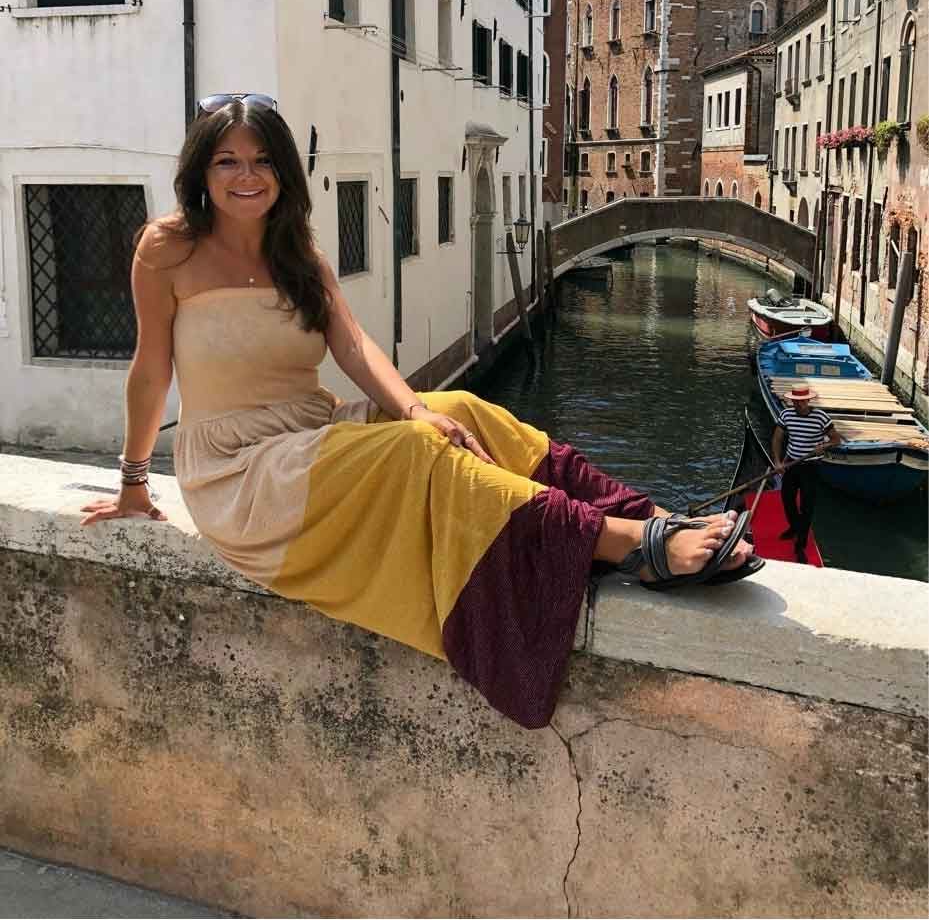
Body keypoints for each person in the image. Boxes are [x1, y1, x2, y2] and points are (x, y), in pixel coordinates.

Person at [81, 95, 758, 729]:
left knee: (459, 406)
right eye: (227, 160)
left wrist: (411, 406)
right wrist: (134, 481)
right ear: (202, 169)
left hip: (309, 433)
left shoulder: (297, 254)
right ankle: (616, 544)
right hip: (238, 472)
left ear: (284, 172)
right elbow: (150, 369)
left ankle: (643, 518)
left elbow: (350, 344)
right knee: (416, 451)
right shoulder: (167, 249)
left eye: (262, 160)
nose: (246, 176)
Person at [771, 382, 841, 562]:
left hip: (811, 465)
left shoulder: (821, 417)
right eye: (796, 401)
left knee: (807, 505)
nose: (798, 404)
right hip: (792, 464)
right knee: (787, 498)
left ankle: (801, 542)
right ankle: (795, 527)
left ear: (808, 400)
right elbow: (777, 438)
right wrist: (778, 462)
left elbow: (836, 440)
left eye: (802, 401)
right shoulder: (786, 414)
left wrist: (823, 446)